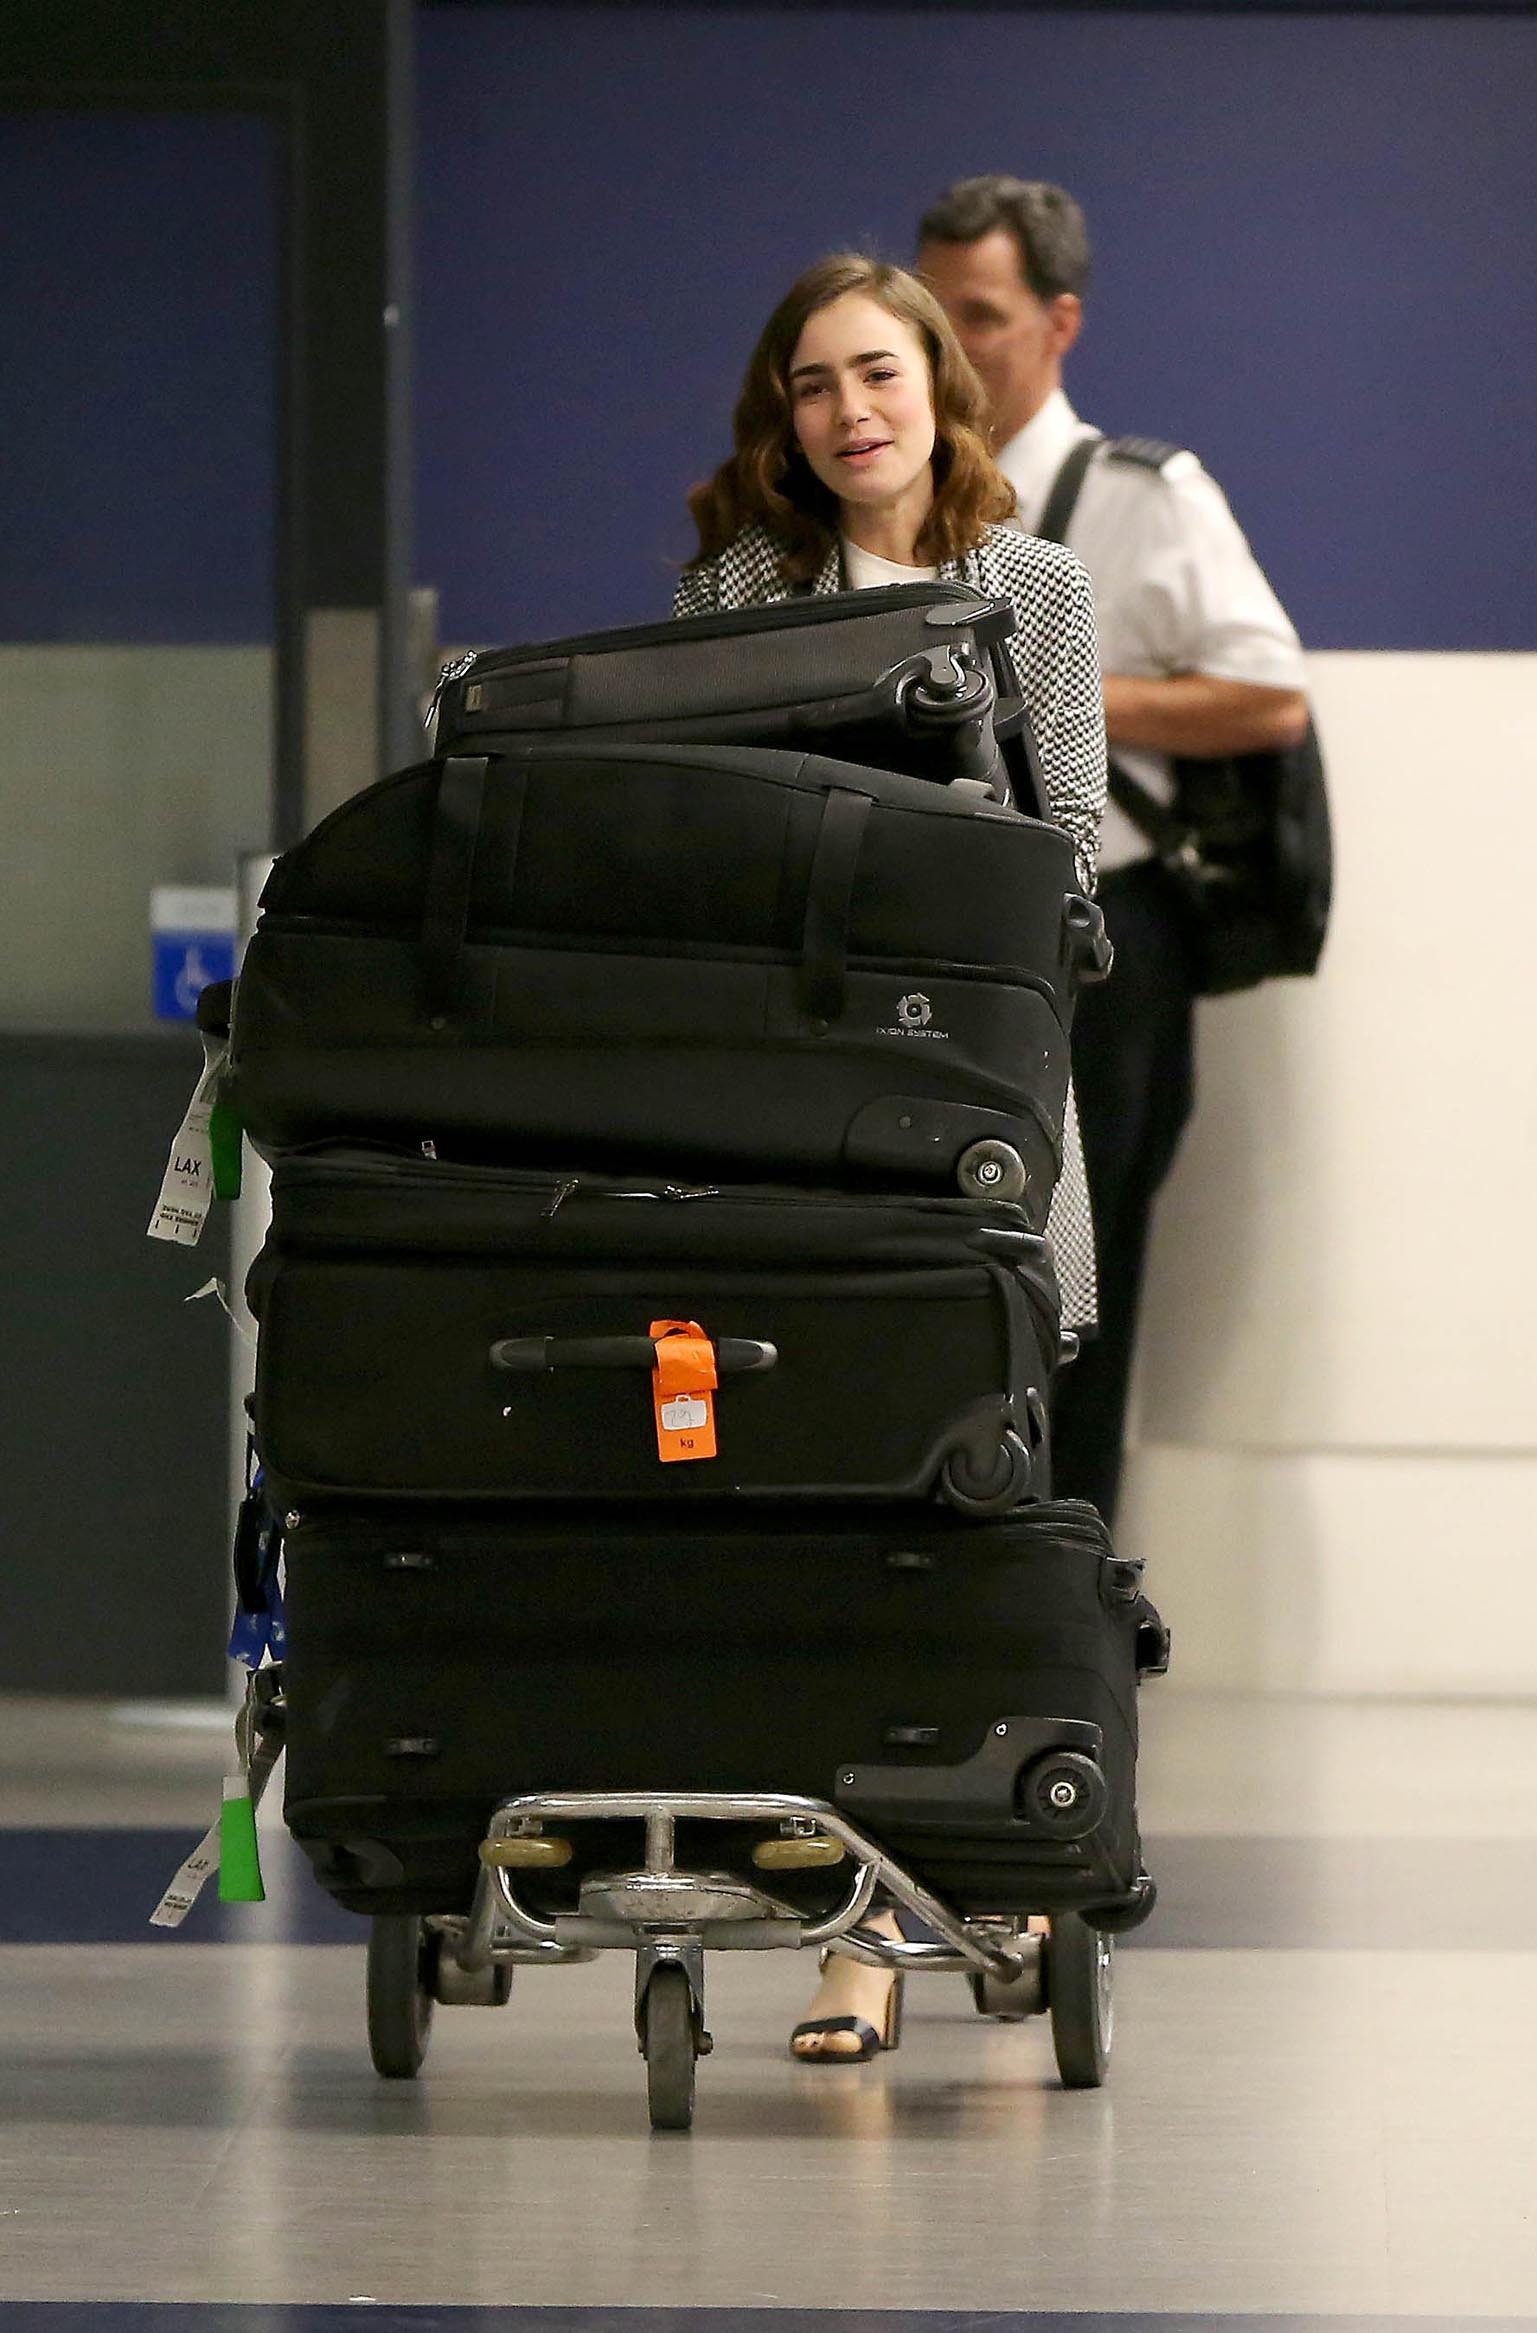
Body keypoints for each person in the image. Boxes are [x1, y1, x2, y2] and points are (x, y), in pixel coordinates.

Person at [673, 251, 1107, 2061]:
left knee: (976, 1490)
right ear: (782, 419)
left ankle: (989, 1865)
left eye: (876, 372)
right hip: (793, 1087)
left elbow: (1069, 850)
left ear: (940, 385)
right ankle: (850, 1930)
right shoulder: (738, 586)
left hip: (979, 1081)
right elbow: (688, 839)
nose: (849, 411)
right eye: (811, 384)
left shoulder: (1034, 585)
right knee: (814, 1494)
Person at [917, 177, 1310, 1526]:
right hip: (932, 938)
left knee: (1084, 1293)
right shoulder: (890, 497)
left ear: (1059, 322)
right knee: (927, 1277)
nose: (952, 347)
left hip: (1102, 941)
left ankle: (1064, 1582)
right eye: (932, 314)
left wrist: (1056, 689)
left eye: (982, 315)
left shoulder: (1139, 495)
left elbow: (1268, 695)